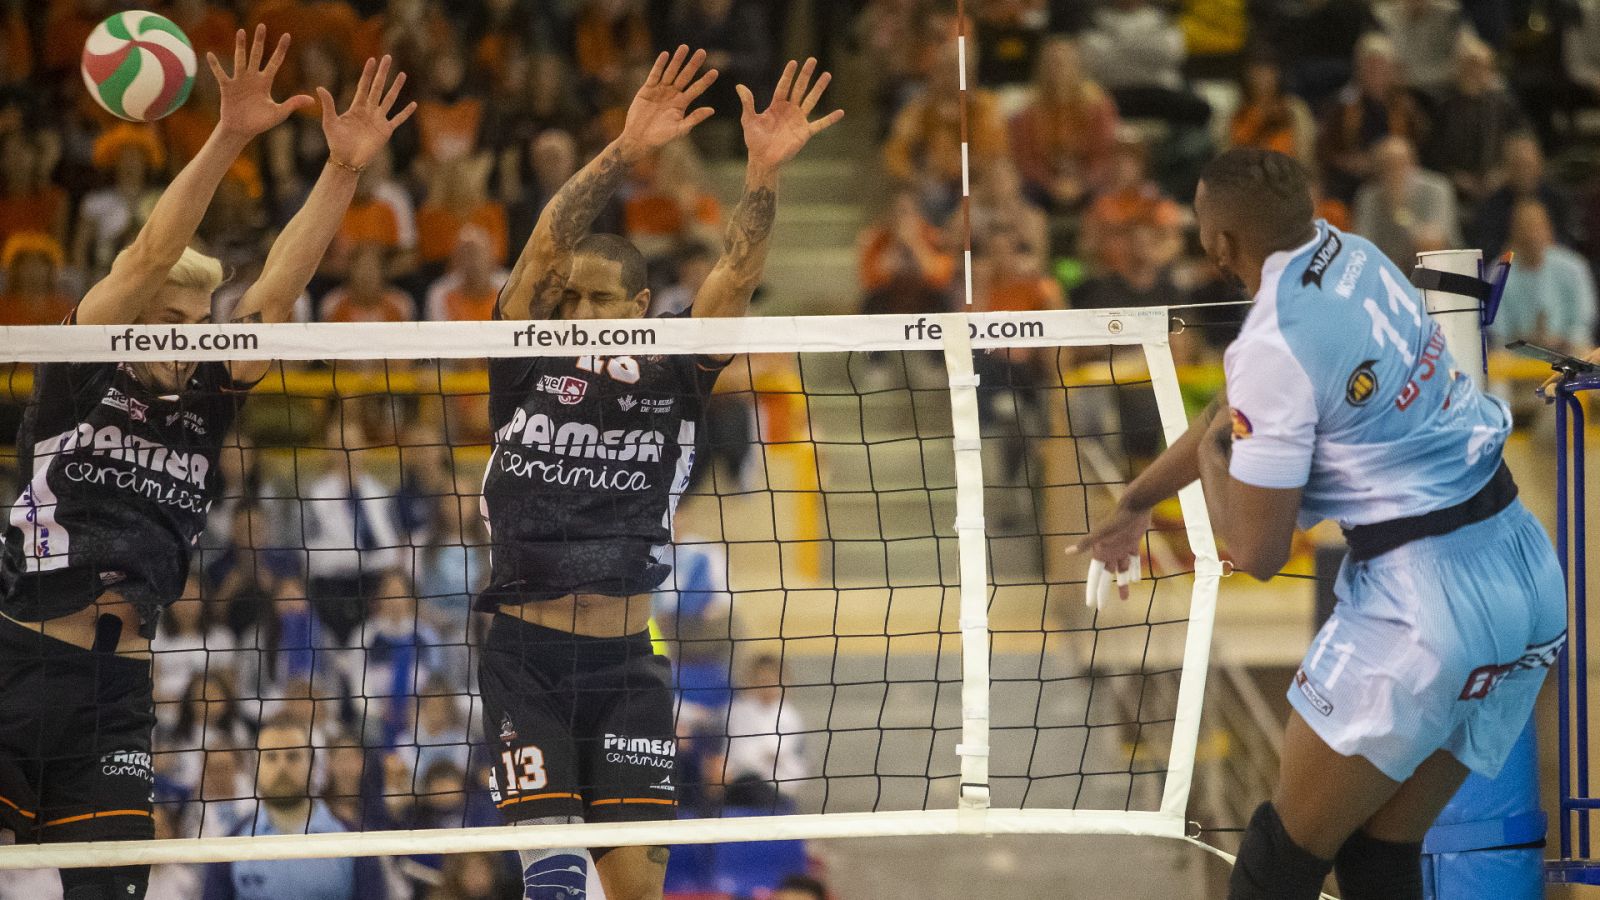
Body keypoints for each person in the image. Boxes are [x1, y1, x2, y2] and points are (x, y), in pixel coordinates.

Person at [1075, 147, 1565, 899]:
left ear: (1218, 247)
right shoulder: (1356, 254)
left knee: (1279, 862)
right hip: (1527, 575)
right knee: (1378, 856)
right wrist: (1138, 501)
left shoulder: (1274, 342)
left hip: (1424, 605)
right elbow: (1241, 402)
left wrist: (1211, 464)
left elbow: (1257, 551)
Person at [0, 29, 413, 899]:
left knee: (114, 887)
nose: (188, 340)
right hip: (21, 661)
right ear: (127, 317)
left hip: (119, 688)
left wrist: (341, 171)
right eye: (170, 320)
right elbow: (147, 256)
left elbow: (272, 293)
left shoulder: (206, 397)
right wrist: (228, 137)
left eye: (199, 323)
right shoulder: (78, 368)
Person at [478, 45, 840, 899]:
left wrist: (761, 172)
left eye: (600, 299)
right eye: (570, 298)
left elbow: (738, 275)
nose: (579, 312)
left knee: (637, 890)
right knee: (559, 883)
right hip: (525, 659)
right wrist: (625, 152)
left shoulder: (678, 369)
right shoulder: (524, 358)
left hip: (630, 665)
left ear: (642, 311)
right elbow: (535, 257)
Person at [200, 714, 388, 900]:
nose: (282, 767)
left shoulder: (356, 842)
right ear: (255, 767)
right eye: (271, 757)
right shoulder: (230, 846)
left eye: (293, 756)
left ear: (312, 764)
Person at [1491, 198, 1598, 354]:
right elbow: (1498, 331)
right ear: (1513, 232)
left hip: (1567, 350)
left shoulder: (1573, 267)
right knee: (1497, 356)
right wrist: (1529, 340)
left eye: (1536, 227)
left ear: (1549, 229)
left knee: (1585, 350)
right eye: (1524, 228)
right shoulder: (1499, 272)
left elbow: (1584, 319)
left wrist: (1560, 340)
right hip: (1517, 355)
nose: (1531, 235)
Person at [1351, 135, 1462, 267]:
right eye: (1387, 166)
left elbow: (1434, 238)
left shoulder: (1436, 188)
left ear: (1413, 163)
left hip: (1437, 265)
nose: (1395, 172)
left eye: (1400, 164)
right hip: (1387, 267)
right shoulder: (1369, 196)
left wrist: (1398, 209)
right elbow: (1363, 242)